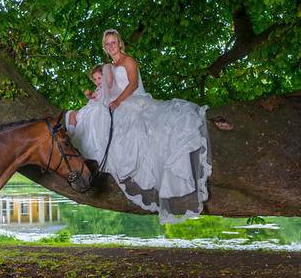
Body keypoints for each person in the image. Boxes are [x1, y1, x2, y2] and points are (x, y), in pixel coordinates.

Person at [70, 29, 212, 224]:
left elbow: (133, 84)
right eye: (107, 44)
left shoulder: (129, 61)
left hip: (132, 99)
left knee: (132, 124)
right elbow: (106, 88)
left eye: (113, 42)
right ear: (104, 47)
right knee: (95, 116)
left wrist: (118, 101)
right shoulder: (108, 67)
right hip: (117, 100)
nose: (111, 46)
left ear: (119, 43)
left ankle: (127, 167)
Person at [66, 64, 105, 135]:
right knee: (72, 114)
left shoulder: (108, 88)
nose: (97, 81)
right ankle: (70, 133)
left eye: (99, 78)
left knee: (90, 121)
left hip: (98, 108)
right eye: (95, 79)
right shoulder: (98, 89)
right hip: (90, 106)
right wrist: (87, 95)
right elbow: (92, 98)